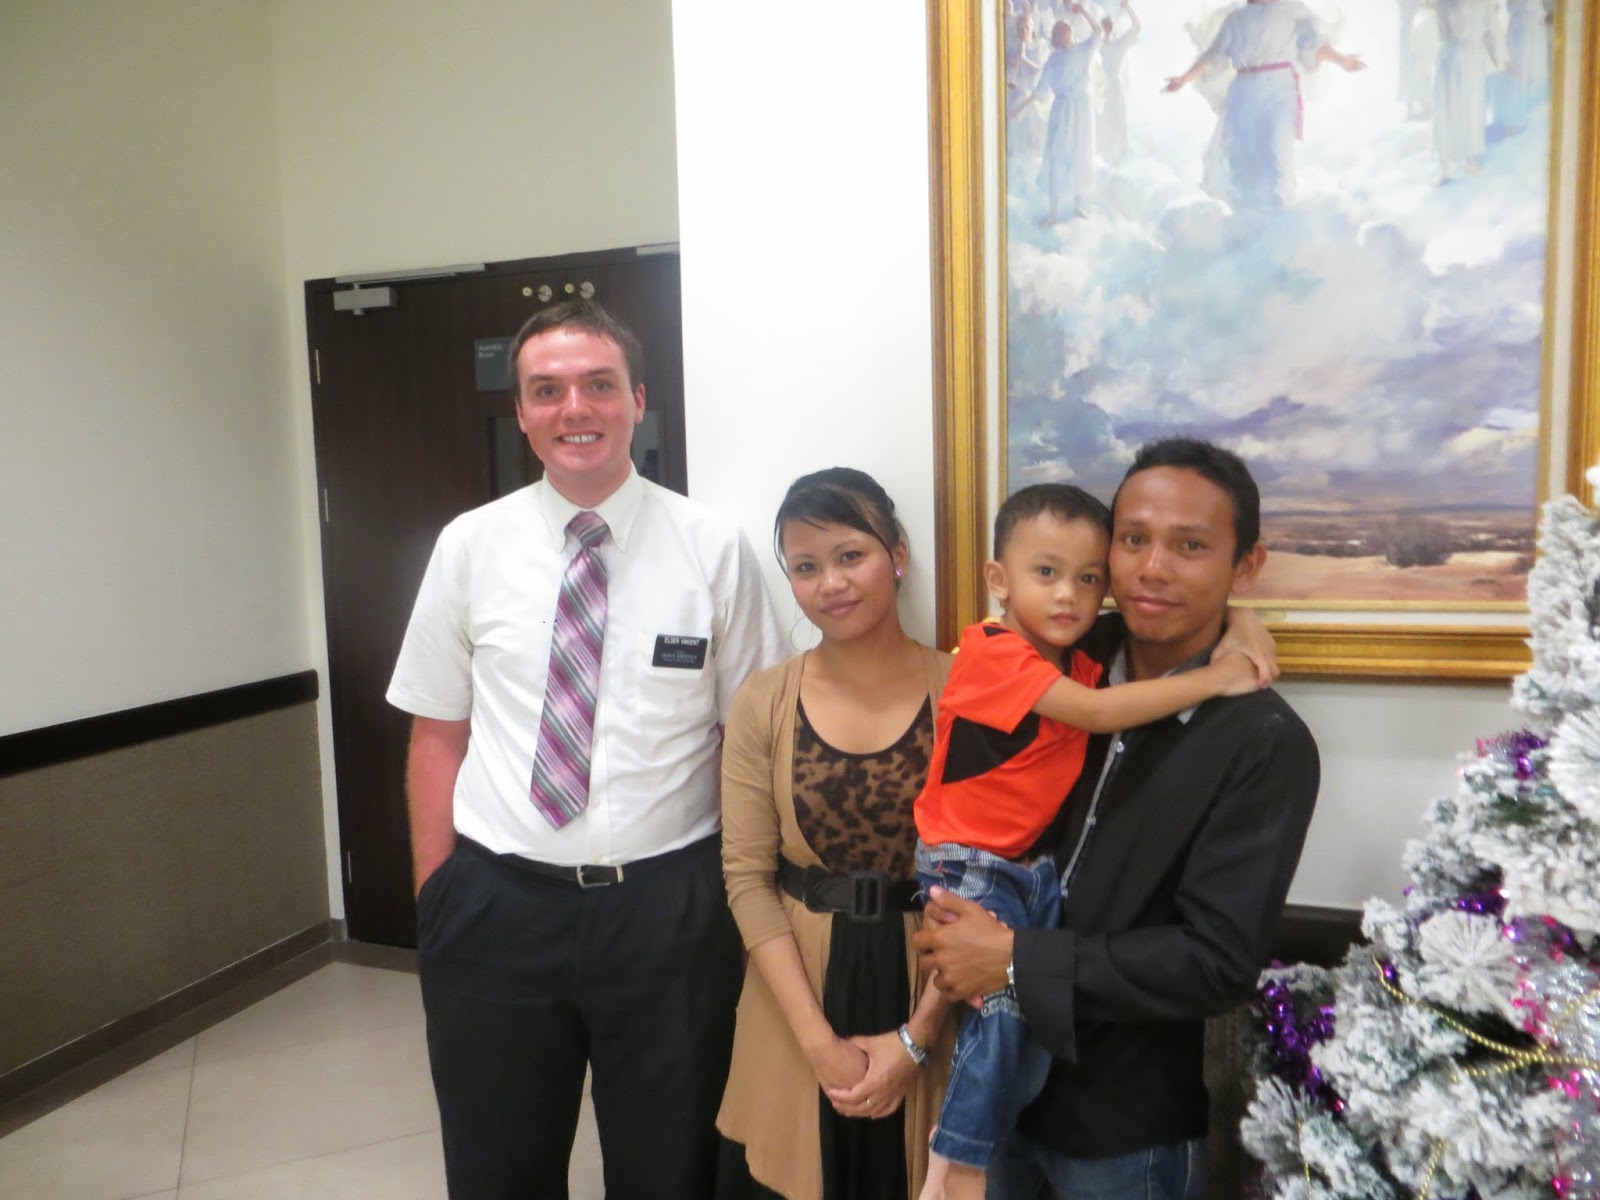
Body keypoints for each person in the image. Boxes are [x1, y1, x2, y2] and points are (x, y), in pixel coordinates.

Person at [387, 298, 785, 1199]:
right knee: (498, 1169)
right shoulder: (469, 547)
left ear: (637, 401)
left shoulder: (713, 549)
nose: (576, 408)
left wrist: (743, 900)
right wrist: (438, 897)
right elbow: (438, 730)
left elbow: (751, 743)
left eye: (599, 385)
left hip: (670, 913)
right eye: (548, 389)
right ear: (522, 412)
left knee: (670, 1169)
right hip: (496, 907)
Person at [914, 438, 1322, 1200]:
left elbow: (1217, 961)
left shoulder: (1265, 743)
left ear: (1245, 566)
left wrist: (1014, 959)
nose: (1153, 569)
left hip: (1124, 1130)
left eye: (1191, 546)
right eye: (1133, 540)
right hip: (1006, 1101)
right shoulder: (1067, 656)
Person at [717, 468, 955, 1200]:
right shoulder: (764, 700)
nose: (832, 584)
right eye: (806, 567)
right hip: (798, 991)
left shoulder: (962, 691)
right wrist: (820, 1045)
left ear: (898, 555)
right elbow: (747, 876)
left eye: (852, 556)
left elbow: (990, 880)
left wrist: (917, 1038)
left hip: (930, 982)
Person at [1164, 0, 1366, 210]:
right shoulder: (1235, 19)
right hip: (1243, 91)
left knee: (1277, 148)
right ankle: (1246, 214)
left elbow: (1315, 45)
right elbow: (1213, 56)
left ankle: (1279, 209)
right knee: (1240, 153)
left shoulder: (1291, 11)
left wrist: (1342, 60)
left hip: (1279, 87)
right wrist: (1184, 78)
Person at [1012, 9, 1101, 223]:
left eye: (1065, 31)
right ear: (1056, 37)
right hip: (1061, 110)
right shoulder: (1053, 59)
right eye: (1059, 33)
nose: (1064, 35)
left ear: (1070, 32)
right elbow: (1040, 91)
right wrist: (1019, 108)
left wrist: (1083, 10)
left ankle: (1078, 205)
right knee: (1057, 155)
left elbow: (1098, 31)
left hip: (1082, 109)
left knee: (1081, 153)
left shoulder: (1083, 49)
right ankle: (1054, 211)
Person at [1433, 0, 1498, 182]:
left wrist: (1498, 58)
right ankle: (1444, 166)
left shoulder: (1484, 4)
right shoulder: (1444, 4)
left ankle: (1470, 158)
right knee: (1445, 110)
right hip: (1450, 58)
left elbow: (1491, 31)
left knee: (1472, 109)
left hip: (1473, 59)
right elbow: (1443, 30)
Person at [1097, 3, 1141, 164]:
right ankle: (1105, 157)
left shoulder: (1118, 44)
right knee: (1102, 123)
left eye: (1109, 28)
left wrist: (1128, 7)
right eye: (1104, 28)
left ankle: (1117, 157)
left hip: (1114, 88)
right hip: (1100, 89)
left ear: (1113, 30)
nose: (1107, 31)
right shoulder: (1097, 47)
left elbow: (1137, 27)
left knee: (1115, 122)